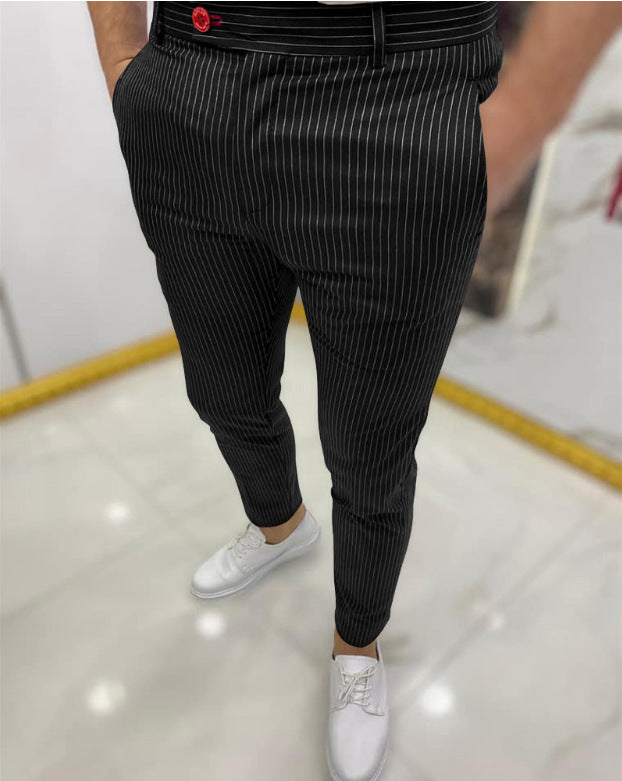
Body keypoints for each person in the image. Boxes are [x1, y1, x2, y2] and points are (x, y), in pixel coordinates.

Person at [87, 3, 504, 779]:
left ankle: (357, 641)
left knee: (370, 445)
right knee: (222, 388)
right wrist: (122, 64)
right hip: (192, 73)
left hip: (397, 89)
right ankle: (280, 526)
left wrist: (523, 107)